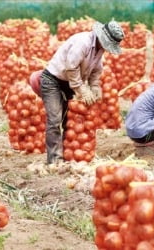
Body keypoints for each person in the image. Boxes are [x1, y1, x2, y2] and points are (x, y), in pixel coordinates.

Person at [39, 20, 125, 164]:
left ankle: (68, 156)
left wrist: (95, 86)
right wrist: (81, 89)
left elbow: (97, 70)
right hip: (52, 80)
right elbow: (71, 68)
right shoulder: (83, 42)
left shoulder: (99, 49)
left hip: (68, 83)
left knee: (69, 121)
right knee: (54, 120)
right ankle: (54, 161)